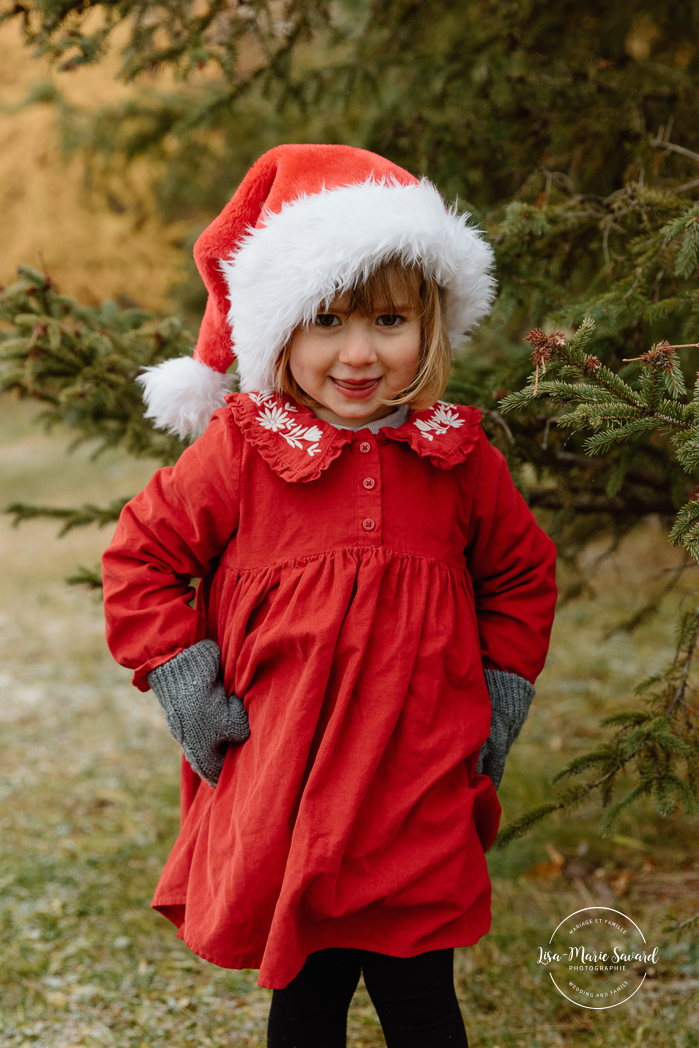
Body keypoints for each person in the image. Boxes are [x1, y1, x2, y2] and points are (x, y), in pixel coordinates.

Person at [101, 144, 557, 1047]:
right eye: (325, 321)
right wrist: (188, 682)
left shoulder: (457, 460)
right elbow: (142, 556)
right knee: (306, 1000)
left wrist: (499, 699)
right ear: (276, 333)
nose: (358, 353)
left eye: (389, 320)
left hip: (417, 779)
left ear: (428, 327)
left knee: (422, 999)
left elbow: (518, 576)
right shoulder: (242, 450)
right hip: (287, 778)